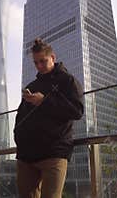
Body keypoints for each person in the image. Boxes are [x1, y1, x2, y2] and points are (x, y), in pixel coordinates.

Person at [14, 38, 84, 198]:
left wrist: (44, 102)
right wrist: (18, 138)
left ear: (53, 57)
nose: (39, 66)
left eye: (43, 61)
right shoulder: (32, 86)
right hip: (26, 155)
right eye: (36, 62)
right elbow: (21, 115)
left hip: (54, 153)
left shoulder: (68, 81)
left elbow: (77, 111)